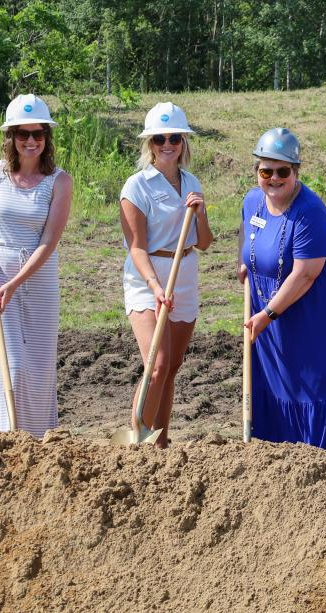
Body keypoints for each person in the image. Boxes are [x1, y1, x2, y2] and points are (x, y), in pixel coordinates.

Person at [240, 128, 326, 451]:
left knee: (313, 383)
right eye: (266, 171)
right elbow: (248, 238)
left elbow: (305, 274)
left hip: (319, 307)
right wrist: (247, 263)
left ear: (296, 171)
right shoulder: (252, 201)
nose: (273, 178)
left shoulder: (310, 212)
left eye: (282, 171)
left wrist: (268, 314)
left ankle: (321, 456)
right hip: (272, 303)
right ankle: (280, 455)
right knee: (277, 378)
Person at [0, 94, 73, 438]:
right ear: (11, 137)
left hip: (36, 279)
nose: (31, 141)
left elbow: (49, 241)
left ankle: (37, 439)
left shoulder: (60, 181)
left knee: (36, 367)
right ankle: (0, 437)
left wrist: (18, 282)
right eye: (23, 134)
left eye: (38, 134)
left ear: (47, 138)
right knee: (8, 363)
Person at [119, 102, 214, 448]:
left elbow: (203, 242)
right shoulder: (137, 187)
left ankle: (161, 443)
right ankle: (136, 442)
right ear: (151, 144)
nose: (167, 144)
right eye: (160, 139)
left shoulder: (192, 182)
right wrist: (156, 287)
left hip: (184, 274)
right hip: (149, 278)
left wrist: (200, 212)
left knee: (171, 368)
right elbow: (137, 247)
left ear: (183, 141)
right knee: (156, 364)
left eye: (174, 137)